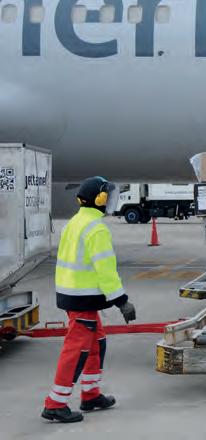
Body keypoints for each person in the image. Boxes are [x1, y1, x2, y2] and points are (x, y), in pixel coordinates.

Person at [42, 177, 136, 423]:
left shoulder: (75, 222)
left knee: (97, 343)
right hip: (81, 299)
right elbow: (106, 271)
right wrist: (122, 301)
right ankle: (55, 404)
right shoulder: (96, 229)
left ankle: (91, 395)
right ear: (100, 199)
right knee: (77, 350)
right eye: (108, 196)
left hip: (75, 296)